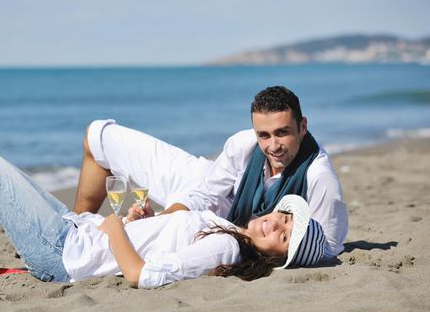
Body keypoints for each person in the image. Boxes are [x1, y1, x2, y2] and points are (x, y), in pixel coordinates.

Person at [0, 153, 325, 289]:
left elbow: (144, 276)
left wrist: (117, 229)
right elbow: (163, 247)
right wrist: (144, 222)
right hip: (76, 232)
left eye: (284, 237)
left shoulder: (229, 246)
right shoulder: (228, 230)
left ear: (275, 257)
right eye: (284, 219)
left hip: (67, 254)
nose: (276, 225)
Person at [73, 86, 348, 259]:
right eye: (264, 135)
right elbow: (204, 192)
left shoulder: (319, 177)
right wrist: (160, 219)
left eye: (282, 133)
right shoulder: (243, 144)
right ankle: (75, 227)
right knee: (98, 136)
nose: (273, 146)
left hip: (222, 225)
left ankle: (79, 243)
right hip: (206, 184)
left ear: (303, 126)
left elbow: (329, 246)